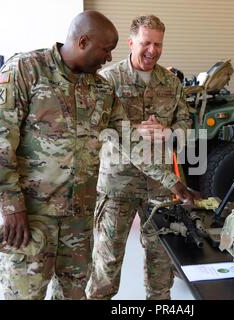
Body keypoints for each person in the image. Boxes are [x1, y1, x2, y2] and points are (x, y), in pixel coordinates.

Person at [0, 11, 193, 300]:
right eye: (105, 50)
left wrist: (172, 182)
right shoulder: (26, 70)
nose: (108, 58)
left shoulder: (101, 89)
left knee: (74, 292)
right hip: (33, 215)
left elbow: (130, 141)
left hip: (78, 220)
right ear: (82, 41)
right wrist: (11, 207)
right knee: (24, 293)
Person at [86, 15, 193, 300]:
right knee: (106, 264)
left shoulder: (171, 82)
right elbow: (95, 130)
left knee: (161, 263)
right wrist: (132, 131)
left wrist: (168, 132)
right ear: (131, 42)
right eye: (146, 43)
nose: (153, 50)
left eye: (158, 44)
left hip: (160, 187)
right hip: (116, 186)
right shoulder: (107, 79)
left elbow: (186, 127)